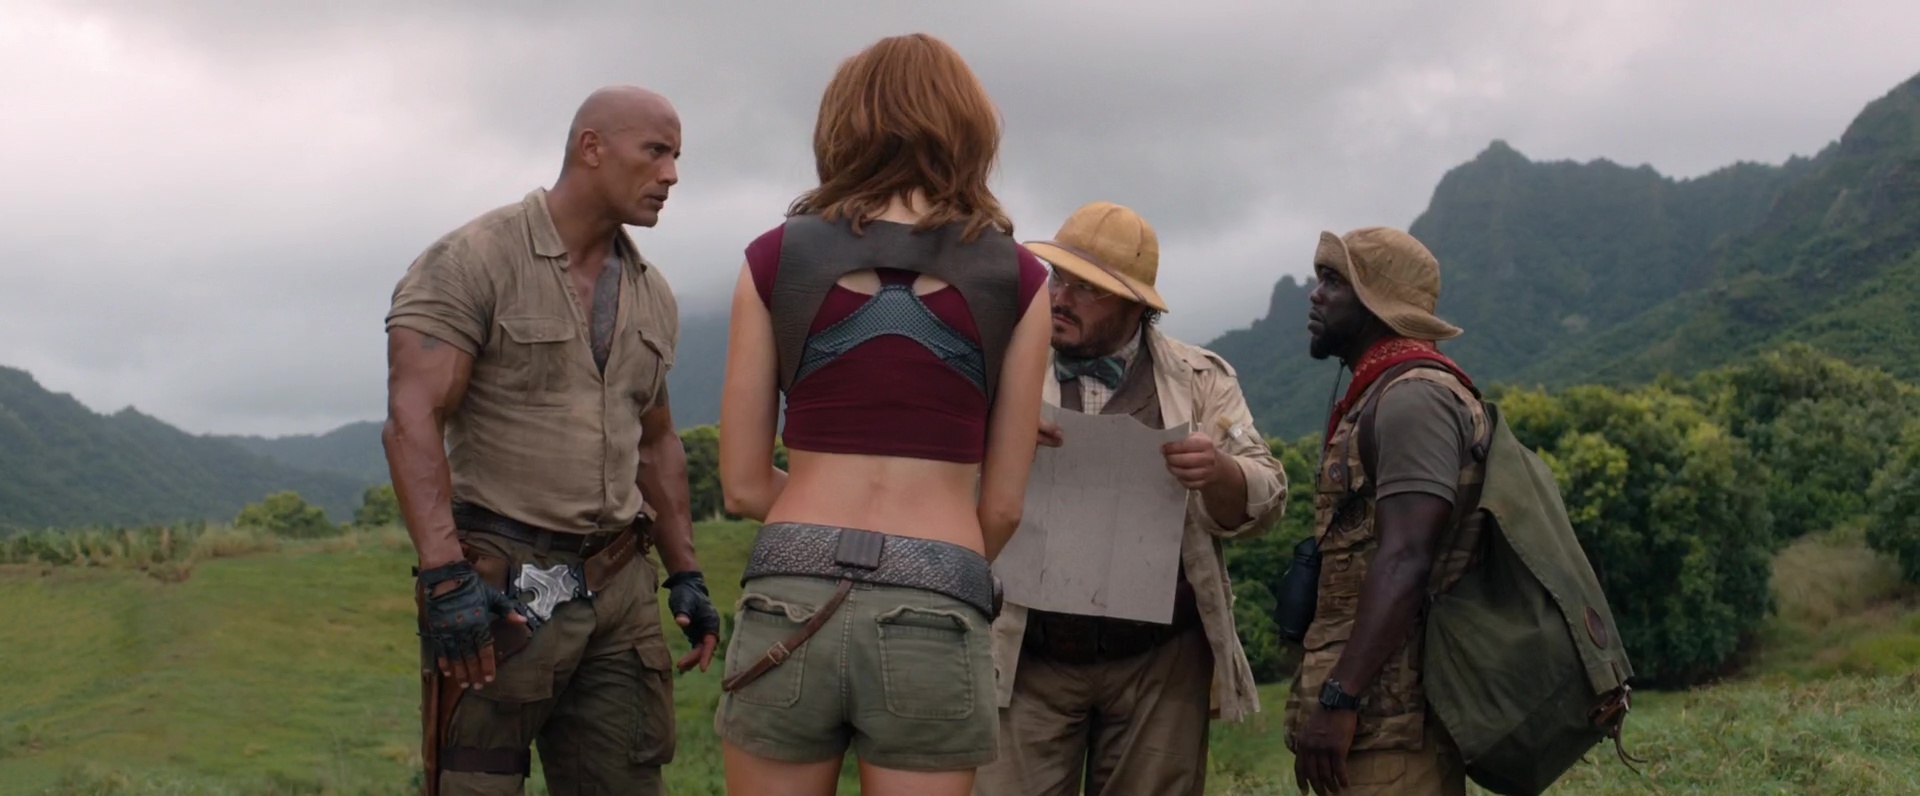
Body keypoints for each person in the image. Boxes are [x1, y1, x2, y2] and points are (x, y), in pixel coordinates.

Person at [714, 32, 1054, 796]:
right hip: (937, 597)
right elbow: (1002, 506)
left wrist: (818, 529)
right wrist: (928, 554)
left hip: (790, 587)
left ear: (843, 125)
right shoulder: (1022, 279)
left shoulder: (772, 259)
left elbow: (741, 485)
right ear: (970, 128)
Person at [382, 85, 721, 796]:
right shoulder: (473, 259)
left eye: (677, 157)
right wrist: (445, 575)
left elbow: (655, 441)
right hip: (499, 589)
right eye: (656, 152)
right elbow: (414, 417)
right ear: (591, 147)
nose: (671, 175)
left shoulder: (653, 292)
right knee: (475, 786)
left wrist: (685, 574)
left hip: (621, 586)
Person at [971, 201, 1289, 796]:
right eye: (1057, 277)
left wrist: (1218, 471)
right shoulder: (998, 363)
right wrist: (996, 441)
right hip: (1024, 651)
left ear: (1136, 306)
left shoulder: (1201, 378)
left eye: (1087, 288)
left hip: (1158, 664)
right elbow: (936, 476)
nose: (1060, 297)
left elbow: (1267, 494)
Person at [1284, 226, 1483, 796]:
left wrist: (1340, 698)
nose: (1315, 295)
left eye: (1334, 282)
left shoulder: (1413, 399)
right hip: (1378, 722)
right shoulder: (1382, 393)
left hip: (1393, 722)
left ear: (1376, 302)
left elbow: (1406, 557)